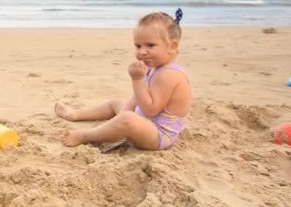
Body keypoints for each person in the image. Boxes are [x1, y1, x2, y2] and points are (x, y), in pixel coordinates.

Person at [55, 9, 191, 150]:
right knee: (117, 104)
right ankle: (76, 115)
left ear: (172, 46)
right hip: (146, 121)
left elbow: (151, 109)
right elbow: (137, 98)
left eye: (150, 45)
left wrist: (137, 80)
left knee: (127, 120)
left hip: (158, 135)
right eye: (138, 46)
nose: (142, 52)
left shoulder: (169, 75)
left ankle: (85, 135)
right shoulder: (154, 67)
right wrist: (122, 114)